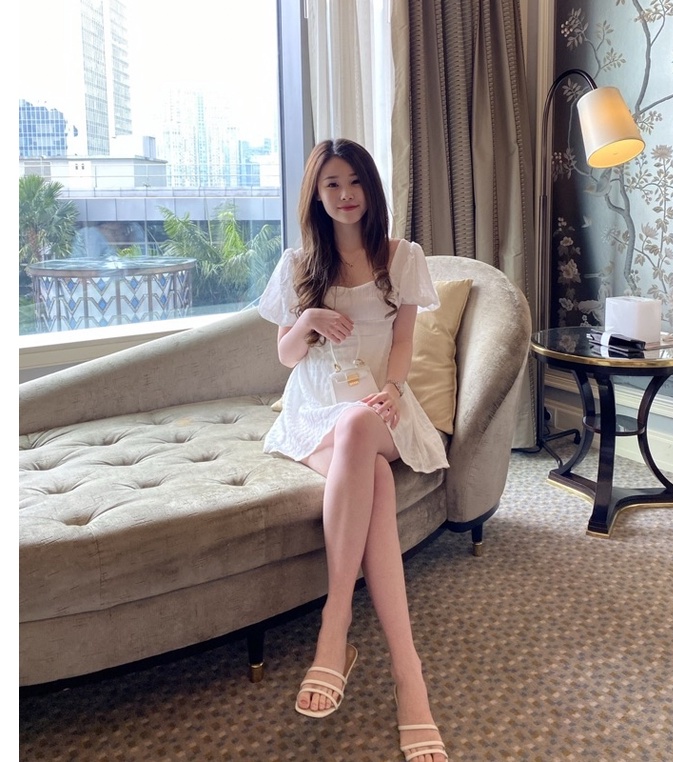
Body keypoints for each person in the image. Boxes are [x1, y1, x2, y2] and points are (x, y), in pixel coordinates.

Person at [257, 138, 449, 762]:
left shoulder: (402, 257)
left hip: (379, 407)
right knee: (375, 478)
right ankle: (408, 677)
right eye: (332, 184)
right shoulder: (298, 265)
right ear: (316, 195)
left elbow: (404, 343)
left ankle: (334, 626)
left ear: (371, 188)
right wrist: (309, 319)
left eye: (355, 182)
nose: (345, 195)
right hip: (314, 412)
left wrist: (393, 390)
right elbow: (286, 356)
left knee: (362, 425)